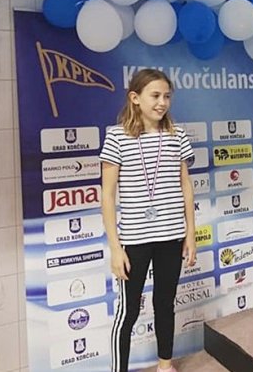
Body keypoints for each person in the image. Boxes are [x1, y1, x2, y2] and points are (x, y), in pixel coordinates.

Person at [100, 69, 196, 372]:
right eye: (155, 95)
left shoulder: (177, 135)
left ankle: (165, 365)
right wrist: (115, 248)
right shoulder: (117, 137)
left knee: (164, 304)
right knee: (127, 312)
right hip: (135, 240)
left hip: (171, 236)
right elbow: (107, 195)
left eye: (167, 96)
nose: (162, 102)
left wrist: (190, 234)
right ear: (135, 98)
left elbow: (186, 186)